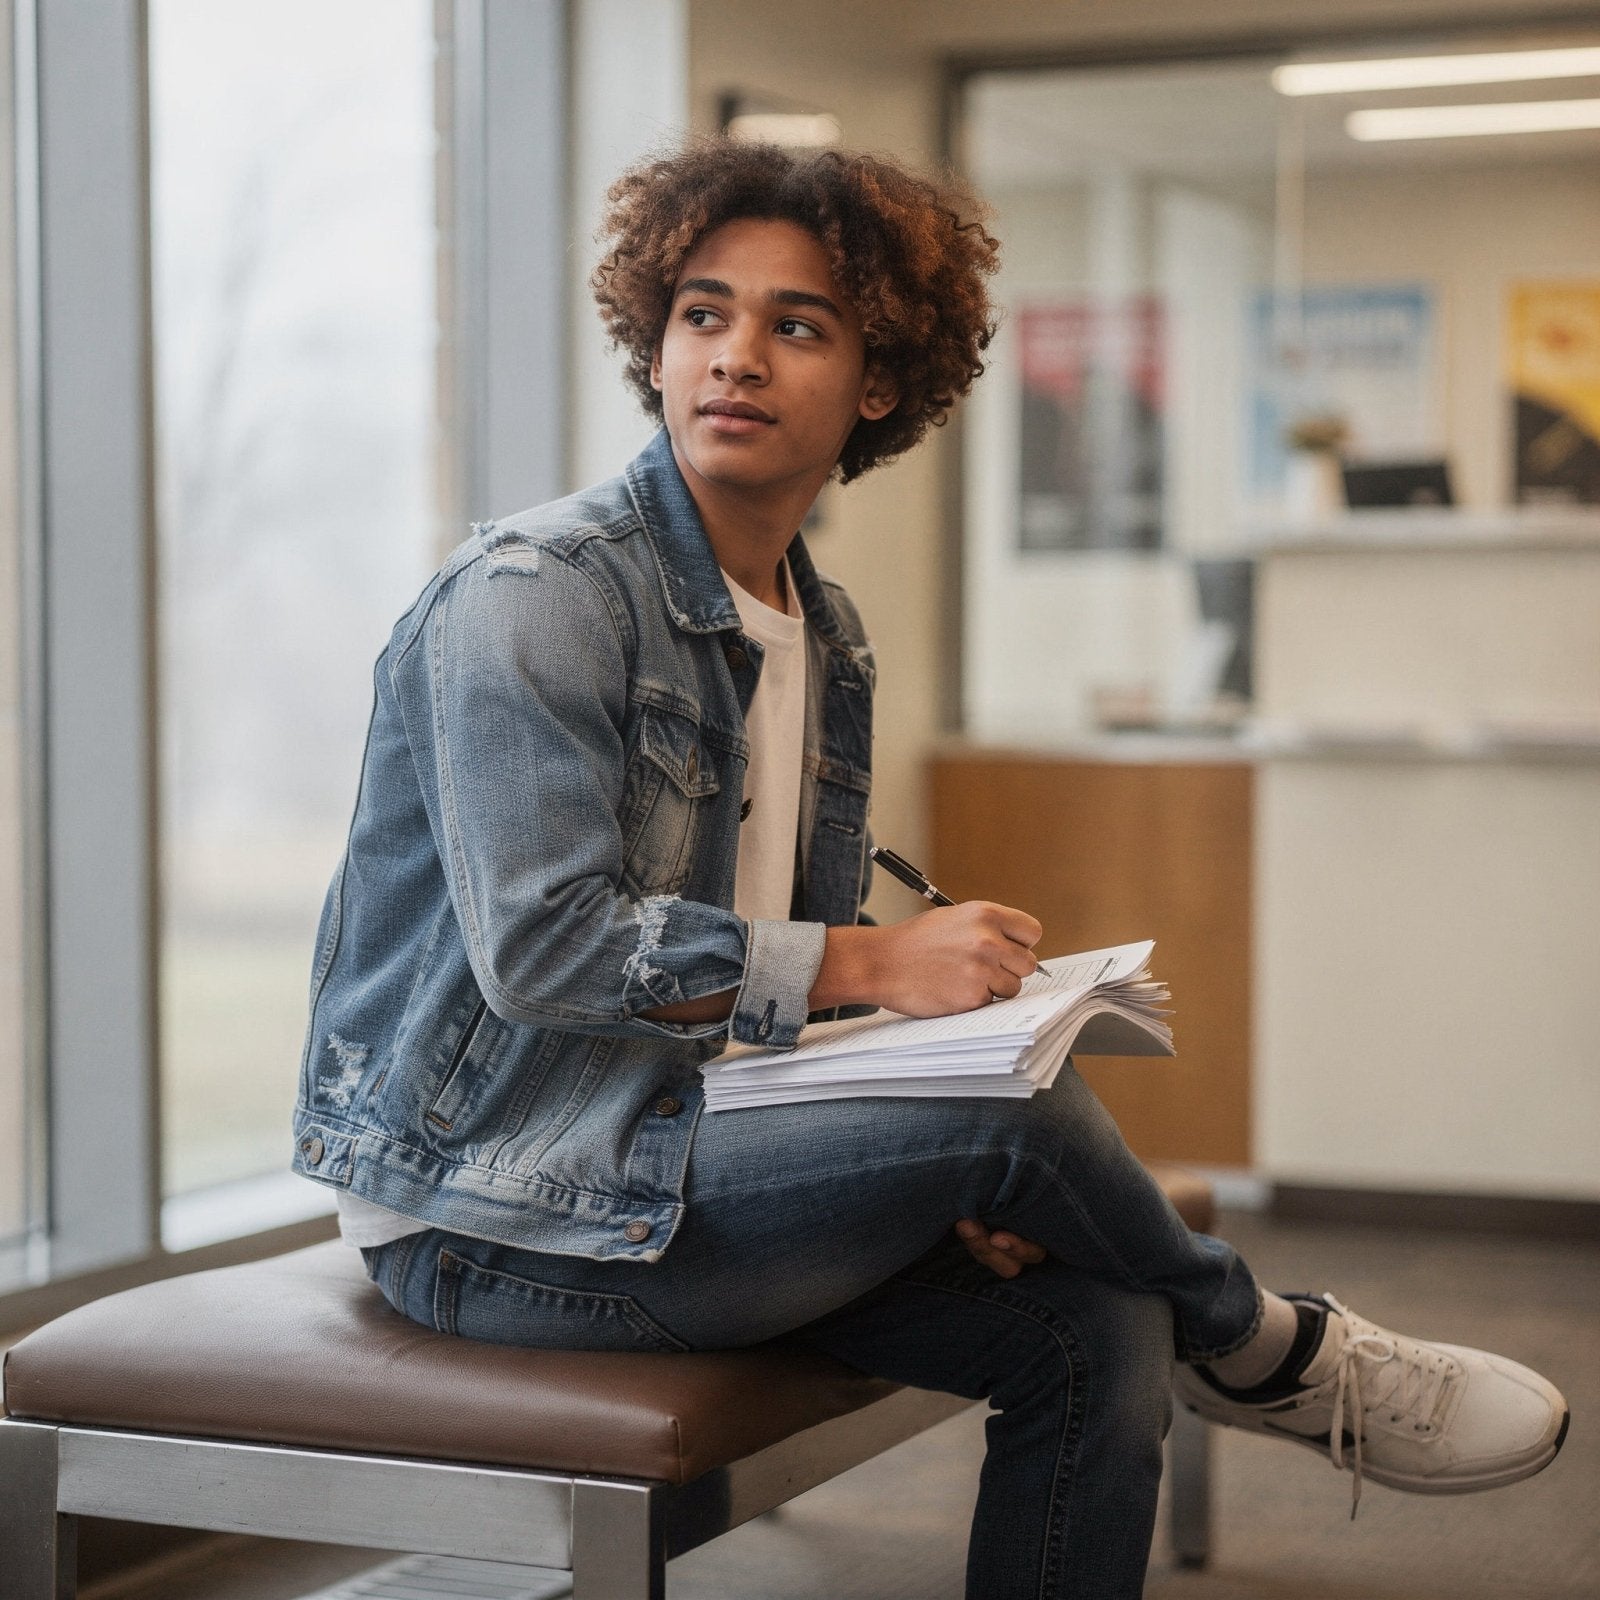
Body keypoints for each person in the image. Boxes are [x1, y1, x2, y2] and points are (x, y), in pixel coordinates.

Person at [292, 137, 1568, 1598]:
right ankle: (1273, 1345)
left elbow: (781, 997)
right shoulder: (537, 597)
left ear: (881, 383)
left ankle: (1203, 1333)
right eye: (703, 315)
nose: (735, 358)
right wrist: (877, 966)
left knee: (1092, 1327)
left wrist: (881, 1162)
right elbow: (548, 951)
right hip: (495, 1210)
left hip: (683, 1156)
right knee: (1011, 1125)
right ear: (655, 346)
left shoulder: (821, 635)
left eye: (797, 326)